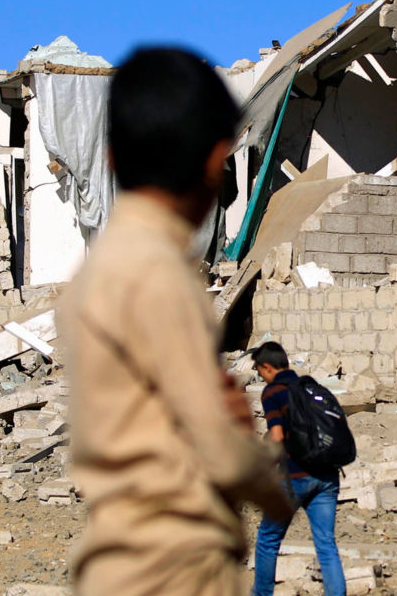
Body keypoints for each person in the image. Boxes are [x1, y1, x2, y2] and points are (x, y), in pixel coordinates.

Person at [60, 47, 293, 596]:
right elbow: (216, 442)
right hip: (176, 567)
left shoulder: (90, 280)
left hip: (112, 563)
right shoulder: (162, 275)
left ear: (112, 157)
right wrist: (273, 485)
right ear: (217, 162)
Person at [249, 341, 346, 596]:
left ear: (267, 367)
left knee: (268, 540)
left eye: (260, 371)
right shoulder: (311, 387)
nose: (261, 376)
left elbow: (277, 436)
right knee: (326, 545)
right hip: (327, 476)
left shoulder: (273, 393)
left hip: (295, 477)